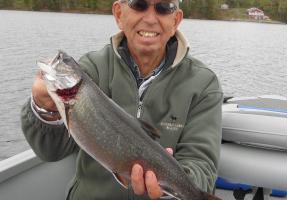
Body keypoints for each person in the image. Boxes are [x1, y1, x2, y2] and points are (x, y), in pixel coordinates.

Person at [21, 0, 223, 199]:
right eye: (139, 4)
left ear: (176, 20)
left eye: (164, 7)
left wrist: (171, 191)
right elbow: (51, 152)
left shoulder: (203, 84)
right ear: (119, 14)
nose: (151, 18)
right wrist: (45, 108)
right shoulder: (92, 68)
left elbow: (201, 166)